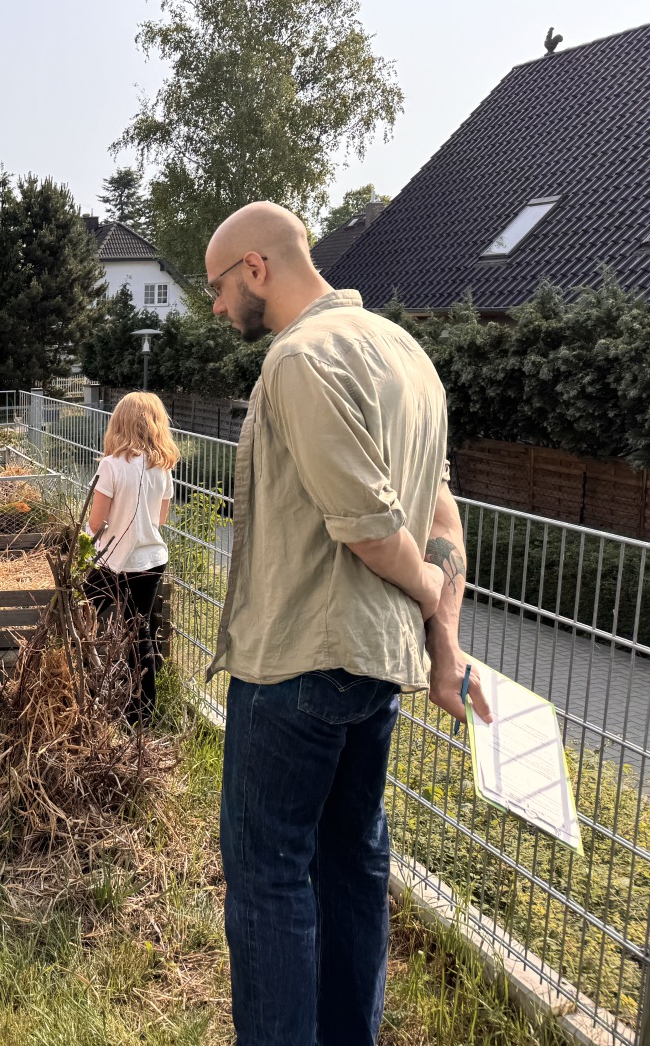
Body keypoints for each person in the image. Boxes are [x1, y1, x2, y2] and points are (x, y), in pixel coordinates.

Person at [204, 201, 491, 1046]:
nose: (218, 308)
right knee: (353, 863)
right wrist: (444, 641)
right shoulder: (411, 358)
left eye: (219, 287)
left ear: (256, 267)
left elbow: (372, 530)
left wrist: (429, 592)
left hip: (296, 660)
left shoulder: (299, 358)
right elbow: (444, 514)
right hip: (377, 671)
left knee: (269, 878)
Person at [84, 391, 178, 722]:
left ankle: (84, 690)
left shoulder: (110, 467)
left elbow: (96, 522)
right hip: (151, 559)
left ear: (119, 423)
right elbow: (161, 519)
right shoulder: (162, 467)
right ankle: (142, 714)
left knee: (82, 615)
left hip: (114, 560)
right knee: (141, 633)